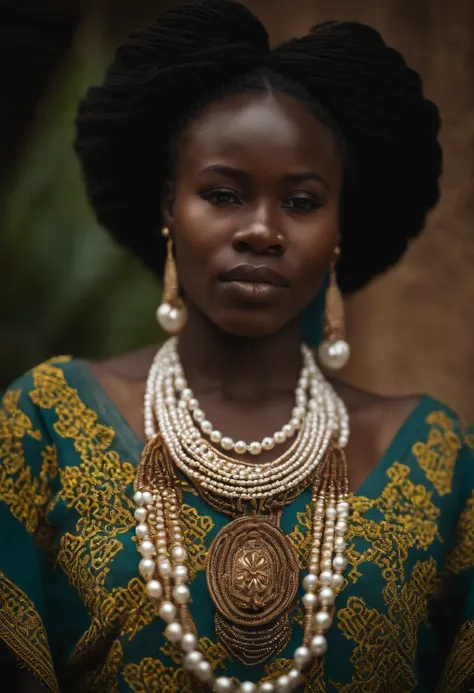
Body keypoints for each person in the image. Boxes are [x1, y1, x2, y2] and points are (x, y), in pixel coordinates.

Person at [0, 1, 472, 691]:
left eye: (303, 202)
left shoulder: (436, 457)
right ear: (170, 207)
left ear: (340, 225)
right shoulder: (43, 424)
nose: (261, 230)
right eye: (223, 194)